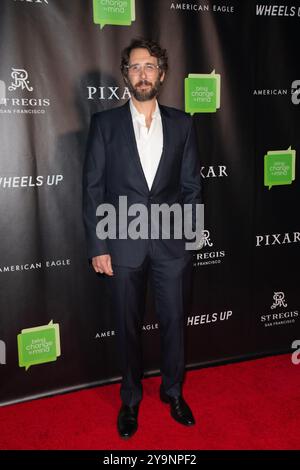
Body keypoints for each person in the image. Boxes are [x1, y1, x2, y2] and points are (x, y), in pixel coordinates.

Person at [83, 38, 202, 439]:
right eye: (135, 67)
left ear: (162, 74)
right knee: (127, 325)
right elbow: (93, 189)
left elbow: (191, 188)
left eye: (150, 66)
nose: (143, 73)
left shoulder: (183, 123)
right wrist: (98, 245)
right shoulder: (105, 125)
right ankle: (130, 399)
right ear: (126, 75)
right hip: (122, 244)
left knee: (173, 324)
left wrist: (188, 240)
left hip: (171, 245)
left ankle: (173, 391)